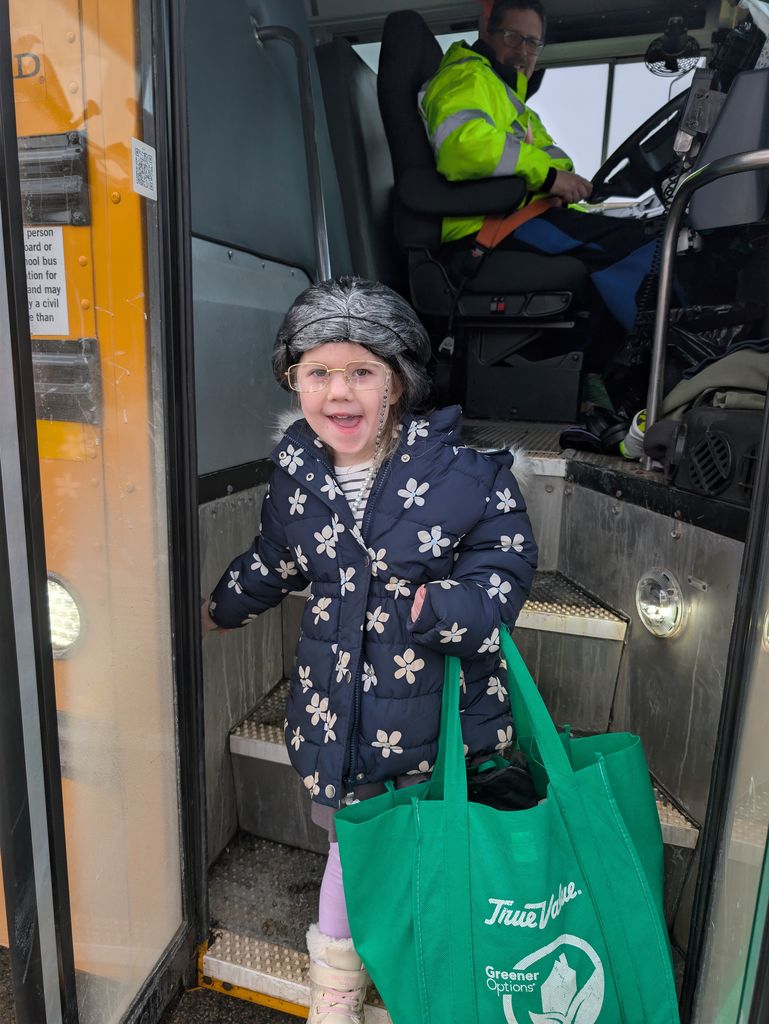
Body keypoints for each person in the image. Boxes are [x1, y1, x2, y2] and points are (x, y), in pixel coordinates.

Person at [202, 277, 537, 1023]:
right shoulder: (297, 473)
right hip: (337, 714)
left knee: (434, 851)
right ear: (294, 380)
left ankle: (436, 969)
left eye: (362, 372)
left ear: (399, 382)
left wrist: (453, 604)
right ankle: (337, 990)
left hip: (438, 717)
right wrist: (222, 608)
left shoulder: (464, 474)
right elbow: (276, 559)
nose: (339, 393)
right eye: (318, 372)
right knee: (351, 853)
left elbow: (506, 561)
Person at [420, 0, 660, 346]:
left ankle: (609, 375)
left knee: (633, 234)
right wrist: (548, 180)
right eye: (513, 37)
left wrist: (566, 187)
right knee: (642, 246)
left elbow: (555, 161)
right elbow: (463, 146)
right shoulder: (467, 77)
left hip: (521, 218)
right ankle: (664, 357)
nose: (524, 51)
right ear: (488, 31)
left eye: (533, 43)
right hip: (487, 229)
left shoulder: (514, 103)